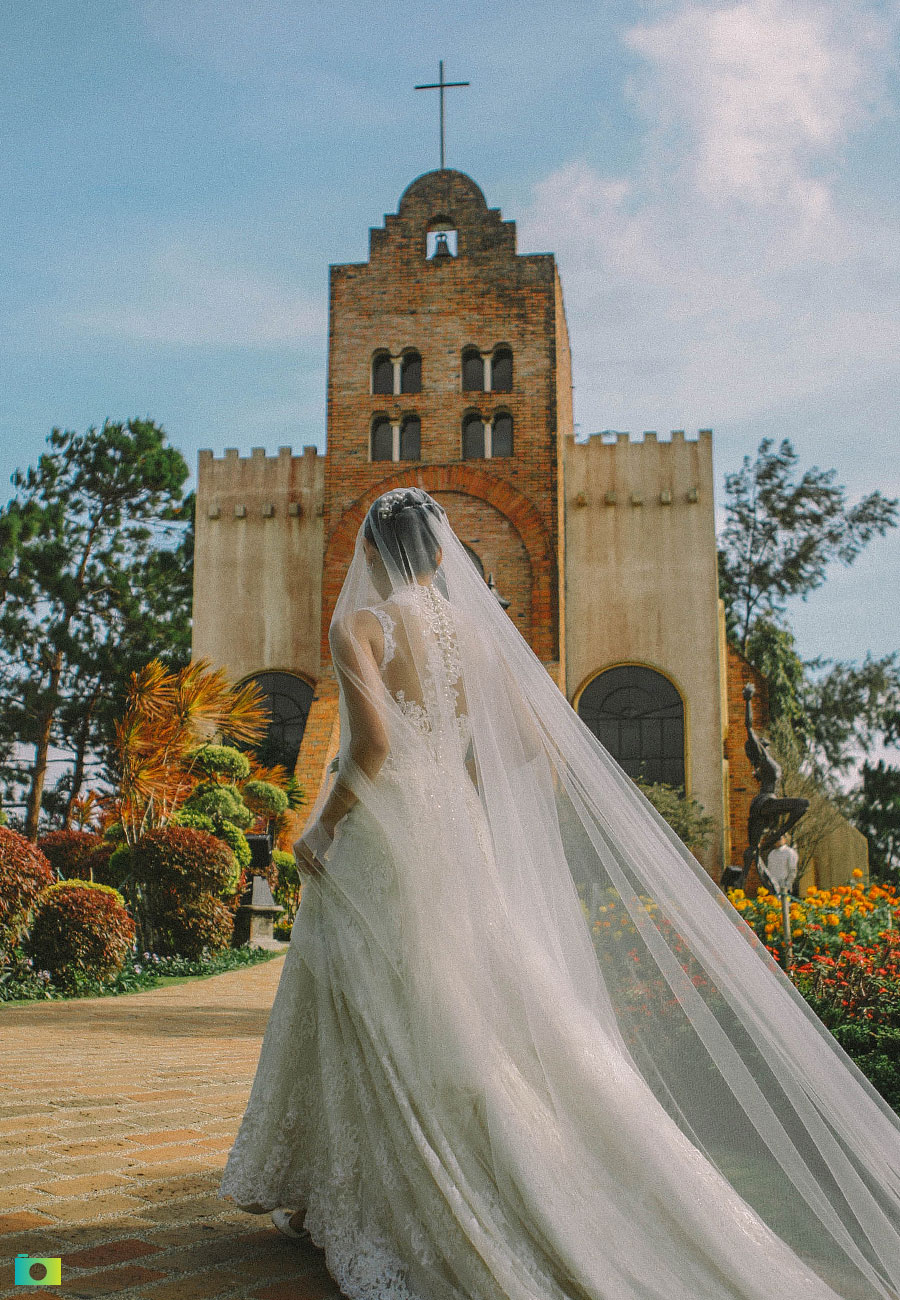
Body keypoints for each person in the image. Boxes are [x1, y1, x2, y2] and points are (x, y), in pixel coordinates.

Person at [218, 488, 900, 1300]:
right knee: (467, 1000)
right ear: (442, 556)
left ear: (369, 552)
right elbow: (525, 748)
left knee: (374, 999)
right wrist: (452, 786)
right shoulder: (477, 633)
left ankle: (364, 1181)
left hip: (382, 833)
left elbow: (369, 743)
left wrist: (322, 828)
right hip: (453, 830)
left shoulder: (358, 626)